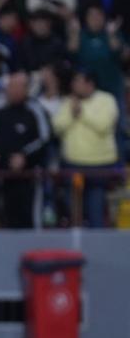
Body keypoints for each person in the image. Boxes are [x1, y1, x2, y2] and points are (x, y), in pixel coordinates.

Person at [52, 70, 120, 227]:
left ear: (90, 84)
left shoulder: (106, 100)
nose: (73, 85)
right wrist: (71, 113)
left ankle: (98, 248)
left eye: (78, 81)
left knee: (95, 211)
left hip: (99, 166)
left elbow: (103, 125)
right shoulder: (68, 102)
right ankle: (76, 246)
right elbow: (57, 126)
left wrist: (81, 113)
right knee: (74, 214)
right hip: (73, 165)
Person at [0, 73, 50, 228]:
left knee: (29, 220)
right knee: (8, 220)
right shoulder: (0, 114)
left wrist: (24, 157)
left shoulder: (35, 111)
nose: (11, 90)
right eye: (9, 87)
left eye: (15, 87)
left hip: (29, 177)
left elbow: (44, 139)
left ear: (25, 89)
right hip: (5, 177)